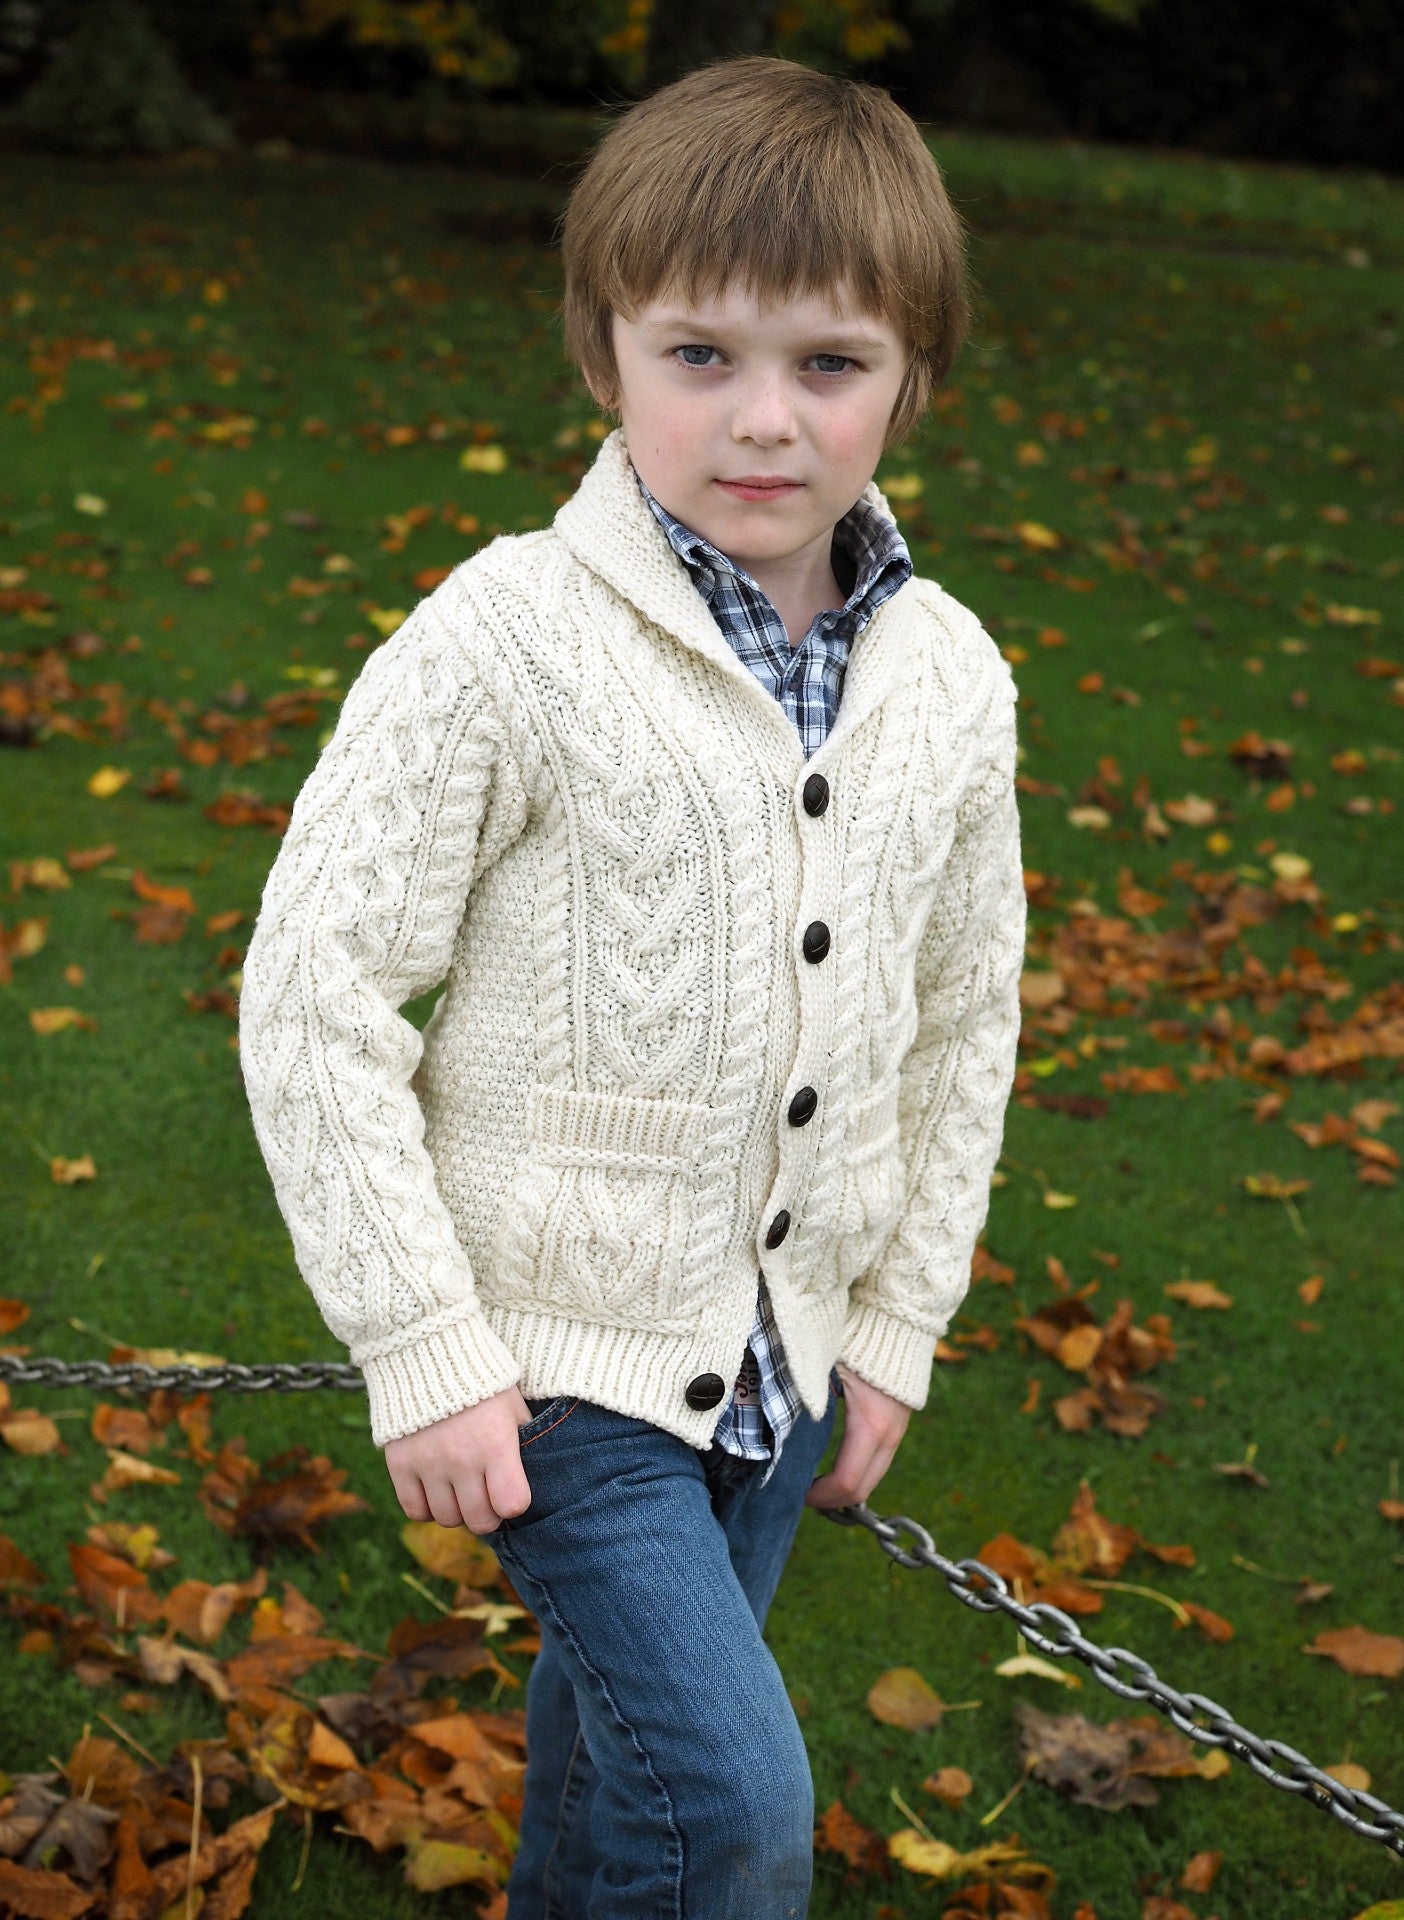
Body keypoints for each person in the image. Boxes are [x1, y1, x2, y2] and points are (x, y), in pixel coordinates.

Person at [237, 52, 1024, 1919]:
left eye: (830, 364)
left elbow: (961, 1017)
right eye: (701, 356)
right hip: (557, 1360)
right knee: (736, 1811)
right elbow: (313, 992)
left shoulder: (957, 677)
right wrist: (423, 1344)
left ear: (915, 374)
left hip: (783, 1359)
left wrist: (896, 1320)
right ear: (604, 354)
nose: (765, 421)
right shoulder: (504, 640)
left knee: (619, 1798)